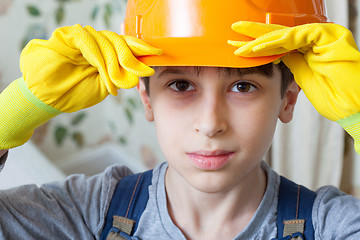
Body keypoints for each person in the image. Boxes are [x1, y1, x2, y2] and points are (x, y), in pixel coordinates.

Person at [0, 0, 360, 239]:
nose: (210, 123)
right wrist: (15, 112)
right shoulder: (91, 211)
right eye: (181, 84)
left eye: (243, 86)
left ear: (288, 99)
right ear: (147, 98)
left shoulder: (328, 225)